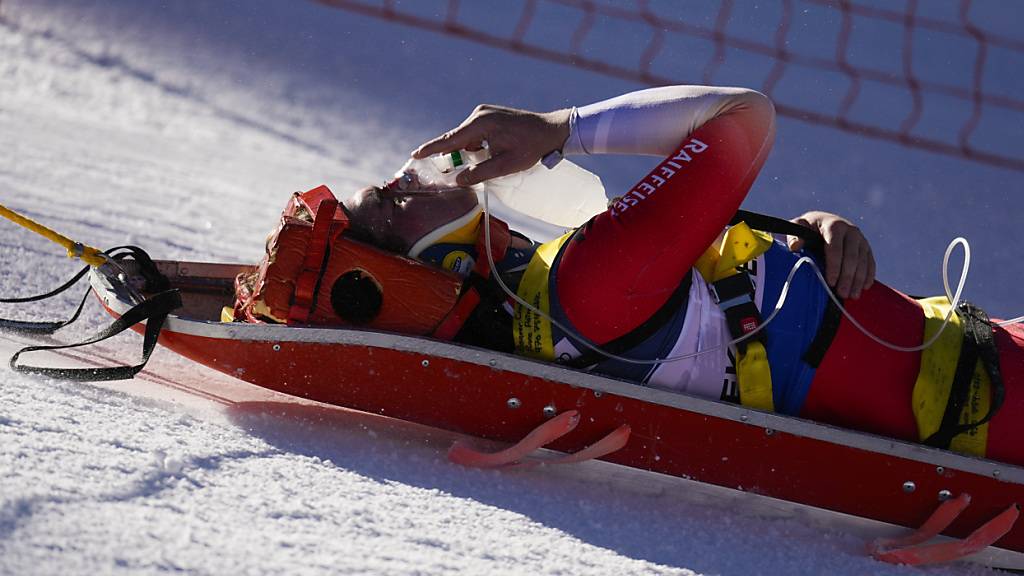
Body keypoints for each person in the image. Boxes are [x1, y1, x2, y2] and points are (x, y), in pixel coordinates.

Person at [337, 85, 1024, 464]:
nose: (405, 174)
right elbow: (742, 117)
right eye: (391, 200)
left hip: (985, 351)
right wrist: (560, 128)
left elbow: (724, 281)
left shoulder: (556, 294)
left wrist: (811, 231)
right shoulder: (584, 289)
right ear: (433, 270)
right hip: (1000, 400)